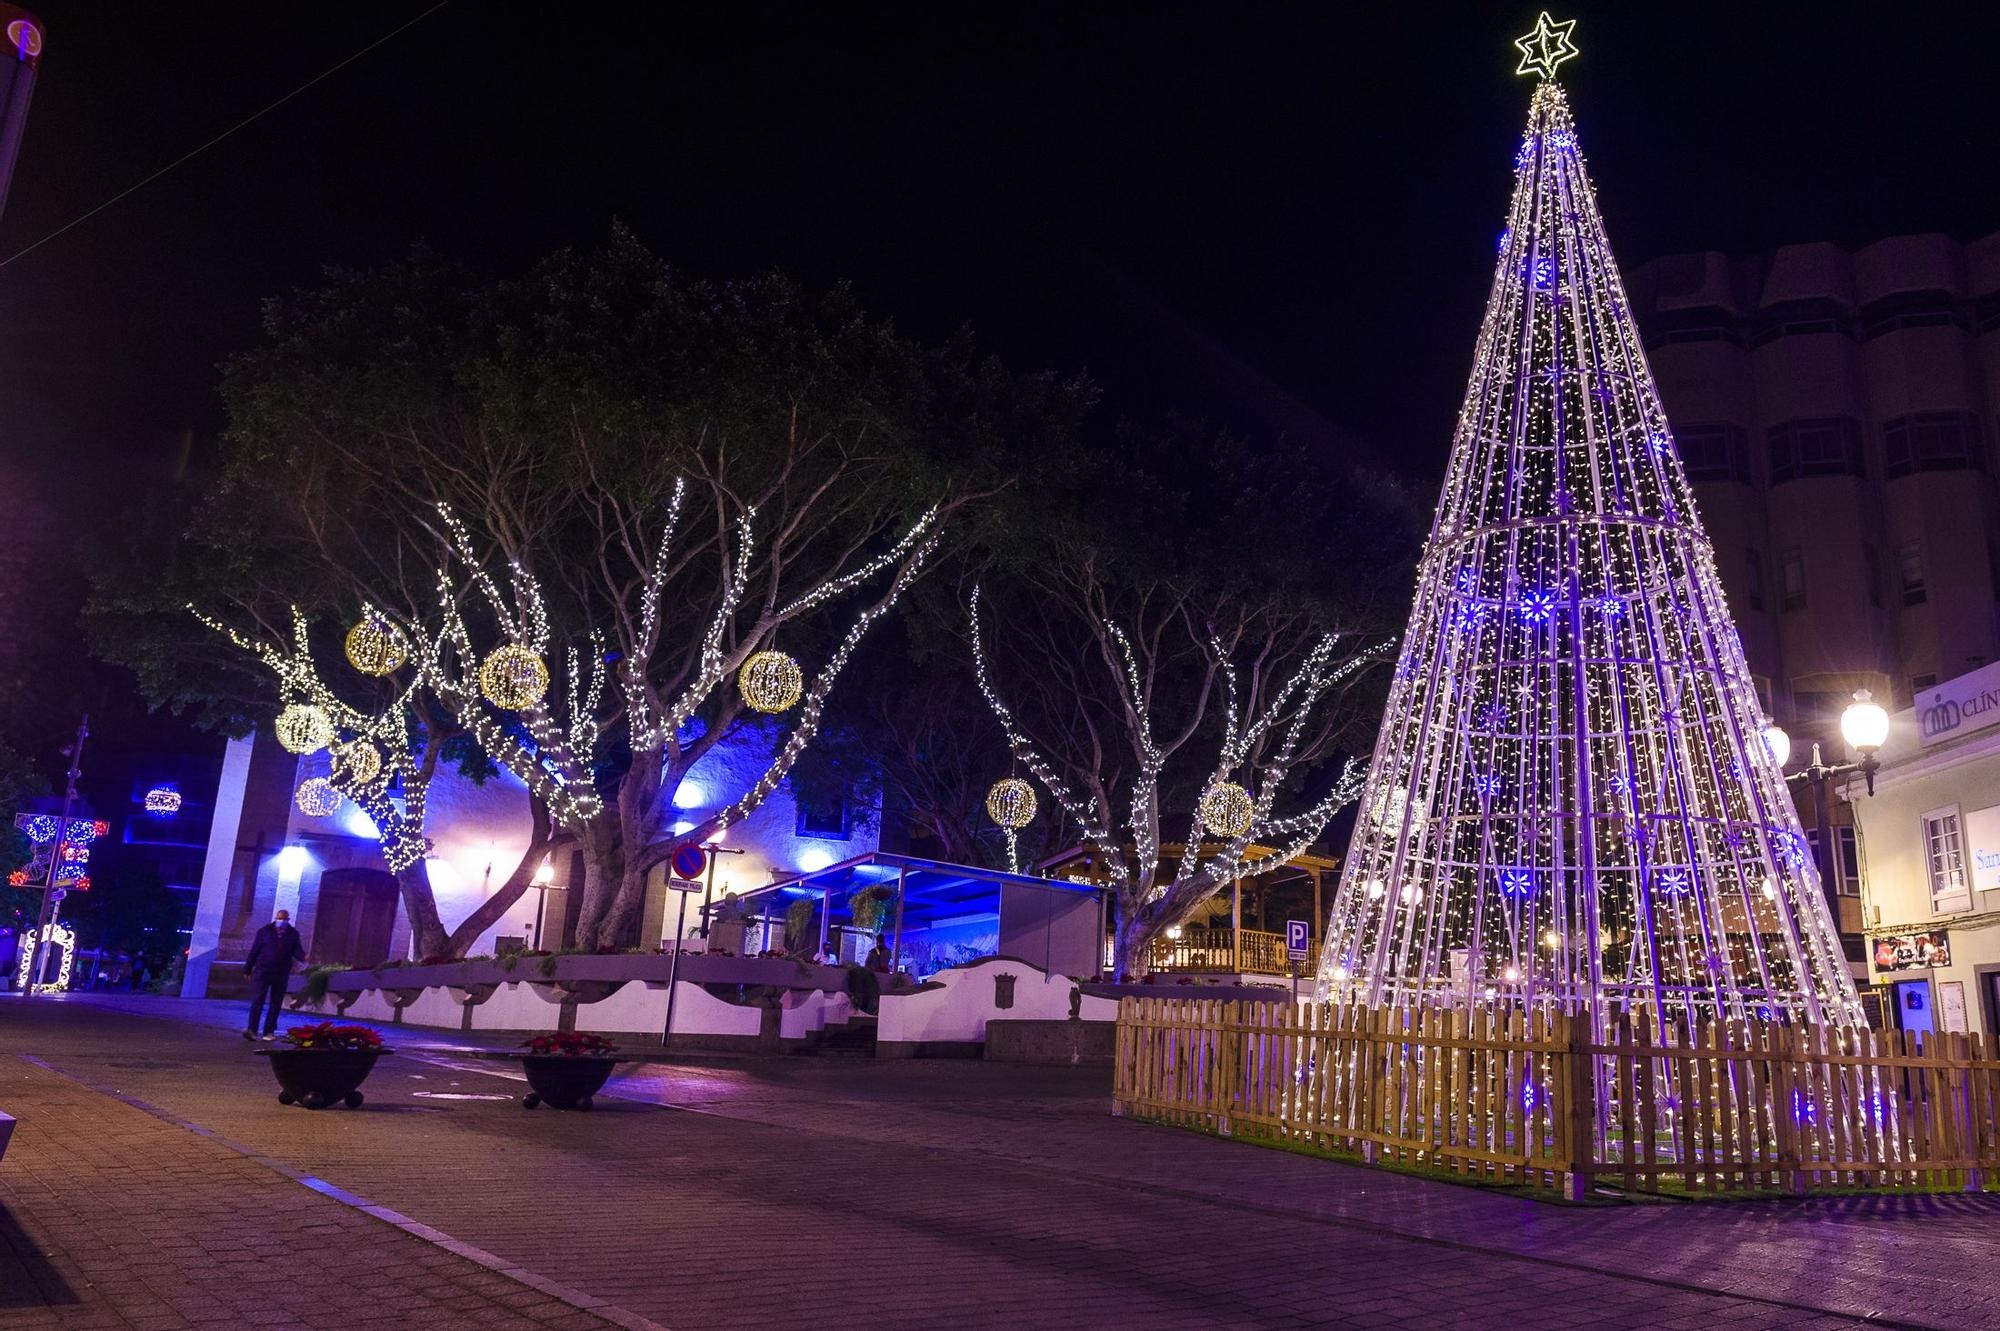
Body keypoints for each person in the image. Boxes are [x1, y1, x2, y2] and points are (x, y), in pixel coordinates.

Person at [242, 908, 306, 1040]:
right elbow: (255, 950)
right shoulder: (264, 932)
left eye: (283, 919)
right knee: (258, 1000)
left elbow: (297, 951)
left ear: (288, 920)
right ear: (275, 918)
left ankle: (268, 1031)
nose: (281, 921)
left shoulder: (293, 934)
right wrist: (247, 968)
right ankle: (252, 1030)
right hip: (263, 971)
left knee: (275, 1003)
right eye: (279, 918)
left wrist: (304, 957)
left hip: (281, 973)